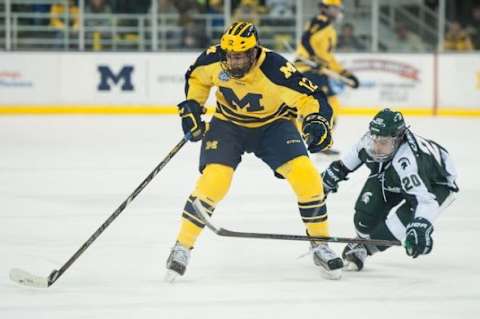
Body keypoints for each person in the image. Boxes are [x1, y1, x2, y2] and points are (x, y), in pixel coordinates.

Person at [165, 21, 344, 282]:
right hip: (228, 125)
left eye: (240, 56)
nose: (234, 62)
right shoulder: (214, 58)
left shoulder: (275, 68)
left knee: (308, 177)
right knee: (215, 180)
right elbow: (197, 78)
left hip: (273, 126)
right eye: (230, 56)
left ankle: (320, 244)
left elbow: (310, 97)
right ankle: (182, 247)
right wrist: (192, 105)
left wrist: (315, 121)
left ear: (253, 51)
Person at [321, 108, 459, 271]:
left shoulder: (407, 162)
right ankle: (361, 241)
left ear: (399, 139)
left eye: (384, 142)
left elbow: (425, 201)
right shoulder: (371, 141)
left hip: (435, 185)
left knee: (398, 227)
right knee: (364, 220)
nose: (377, 146)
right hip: (392, 174)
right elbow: (342, 166)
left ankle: (365, 249)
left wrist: (420, 226)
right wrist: (326, 181)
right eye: (375, 139)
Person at [294, 0, 360, 156]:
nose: (337, 12)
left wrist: (345, 73)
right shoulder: (320, 21)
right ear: (325, 8)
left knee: (331, 106)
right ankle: (311, 140)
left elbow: (327, 58)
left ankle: (318, 139)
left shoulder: (329, 28)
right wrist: (313, 58)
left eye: (338, 9)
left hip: (318, 71)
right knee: (322, 106)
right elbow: (305, 39)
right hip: (309, 70)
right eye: (334, 8)